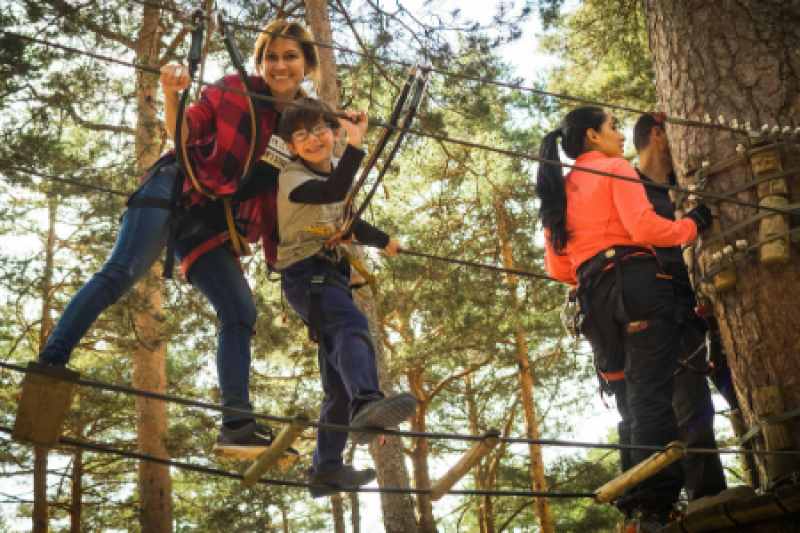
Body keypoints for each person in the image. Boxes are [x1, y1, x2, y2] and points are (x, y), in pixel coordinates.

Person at [32, 20, 320, 459]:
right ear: (260, 63)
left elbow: (302, 199)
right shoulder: (233, 89)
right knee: (122, 272)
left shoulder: (306, 126)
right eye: (272, 57)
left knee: (240, 310)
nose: (280, 66)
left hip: (216, 222)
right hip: (176, 188)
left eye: (291, 56)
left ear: (307, 64)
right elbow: (183, 132)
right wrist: (172, 93)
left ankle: (237, 425)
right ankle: (52, 362)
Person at [537, 106, 714, 531]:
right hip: (636, 286)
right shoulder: (615, 168)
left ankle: (639, 506)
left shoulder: (559, 189)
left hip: (592, 300)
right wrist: (692, 225)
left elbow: (558, 269)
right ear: (593, 137)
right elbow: (645, 227)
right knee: (651, 392)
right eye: (613, 127)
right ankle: (656, 505)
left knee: (627, 401)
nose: (619, 135)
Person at [275, 98, 418, 497]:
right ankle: (367, 401)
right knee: (352, 325)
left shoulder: (340, 172)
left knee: (338, 384)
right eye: (300, 135)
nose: (312, 139)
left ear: (334, 133)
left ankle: (327, 468)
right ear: (290, 146)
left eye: (320, 129)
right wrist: (357, 144)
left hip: (329, 275)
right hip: (305, 274)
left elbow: (347, 218)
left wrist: (384, 240)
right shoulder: (292, 175)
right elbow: (332, 191)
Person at [627, 113, 741, 501]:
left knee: (742, 390)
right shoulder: (628, 188)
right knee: (693, 415)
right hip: (667, 310)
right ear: (658, 135)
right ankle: (710, 506)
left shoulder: (682, 185)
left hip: (712, 302)